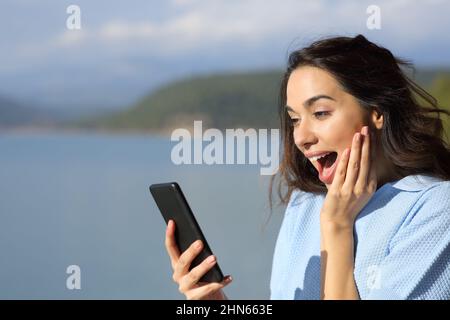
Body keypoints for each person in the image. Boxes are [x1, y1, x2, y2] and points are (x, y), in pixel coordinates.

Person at [164, 34, 450, 300]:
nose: (301, 137)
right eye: (295, 119)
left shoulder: (435, 208)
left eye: (320, 113)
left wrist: (337, 226)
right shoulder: (306, 204)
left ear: (376, 112)